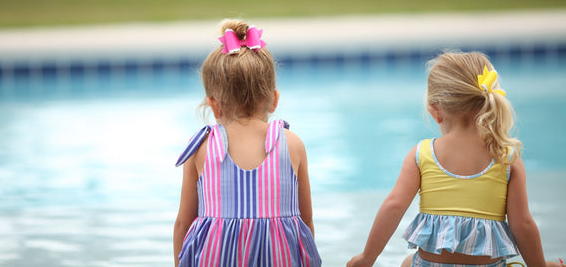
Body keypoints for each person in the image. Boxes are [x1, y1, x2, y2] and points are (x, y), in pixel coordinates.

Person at [347, 51, 565, 267]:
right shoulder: (506, 157)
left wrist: (367, 258)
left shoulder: (422, 154)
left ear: (435, 111)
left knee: (407, 263)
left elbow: (394, 206)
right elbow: (523, 225)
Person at [173, 19, 321, 267]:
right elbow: (305, 221)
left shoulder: (201, 147)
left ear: (214, 105)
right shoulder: (292, 144)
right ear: (274, 100)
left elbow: (183, 223)